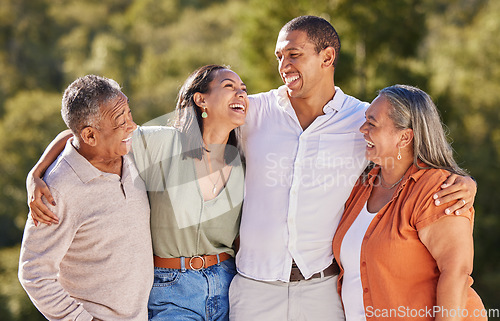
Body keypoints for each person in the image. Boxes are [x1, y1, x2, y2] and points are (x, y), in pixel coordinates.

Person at [228, 16, 477, 320]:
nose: (283, 65)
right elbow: (198, 134)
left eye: (294, 54)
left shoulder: (363, 119)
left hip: (322, 291)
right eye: (279, 56)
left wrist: (463, 181)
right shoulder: (252, 112)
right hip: (254, 289)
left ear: (328, 57)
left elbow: (415, 151)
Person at [26, 65, 249, 320]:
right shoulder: (162, 145)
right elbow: (85, 136)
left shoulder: (242, 162)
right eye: (229, 87)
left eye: (243, 89)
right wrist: (36, 173)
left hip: (227, 285)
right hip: (172, 291)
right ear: (200, 100)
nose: (241, 94)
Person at [332, 85, 485, 321]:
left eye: (372, 124)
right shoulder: (362, 185)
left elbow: (456, 272)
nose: (362, 129)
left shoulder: (438, 189)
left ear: (404, 137)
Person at [18, 75, 153, 321]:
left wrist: (34, 171)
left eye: (129, 114)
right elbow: (34, 273)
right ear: (90, 136)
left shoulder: (129, 149)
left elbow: (67, 135)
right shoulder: (57, 192)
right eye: (121, 121)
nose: (132, 126)